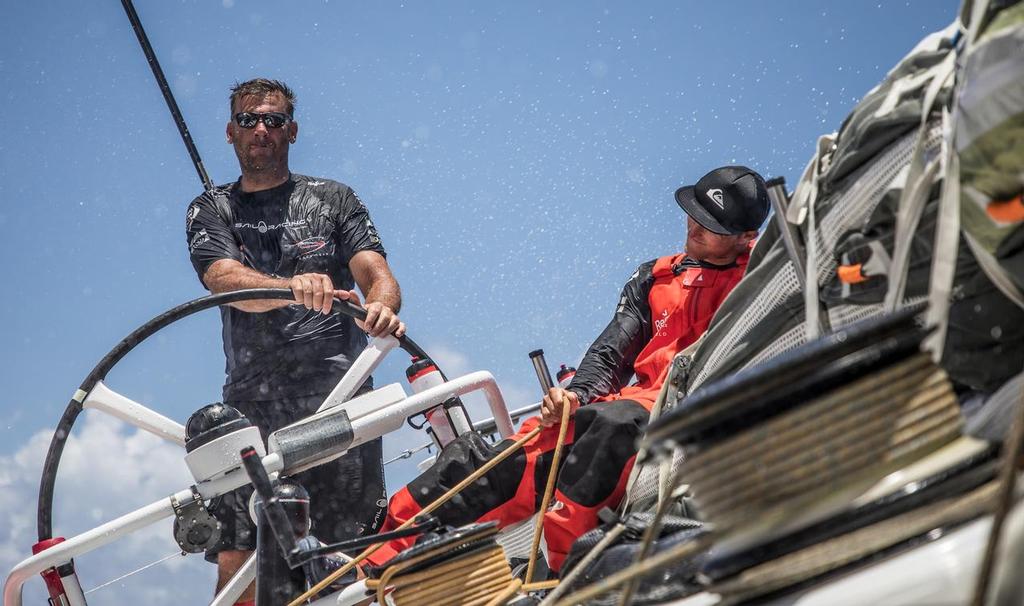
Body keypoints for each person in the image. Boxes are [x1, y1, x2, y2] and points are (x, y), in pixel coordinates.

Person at [366, 165, 770, 573]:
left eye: (712, 225)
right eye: (694, 213)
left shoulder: (763, 279)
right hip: (621, 411)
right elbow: (611, 353)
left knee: (615, 426)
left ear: (747, 238)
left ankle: (565, 579)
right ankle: (366, 564)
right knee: (481, 463)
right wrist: (575, 396)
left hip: (675, 418)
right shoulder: (654, 277)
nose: (696, 227)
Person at [184, 78, 404, 603]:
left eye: (274, 120)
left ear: (293, 131)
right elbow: (223, 282)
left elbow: (379, 276)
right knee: (240, 565)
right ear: (231, 132)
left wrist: (382, 307)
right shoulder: (211, 209)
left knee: (355, 563)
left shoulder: (333, 198)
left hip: (340, 399)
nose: (262, 129)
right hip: (252, 410)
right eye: (250, 120)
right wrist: (290, 288)